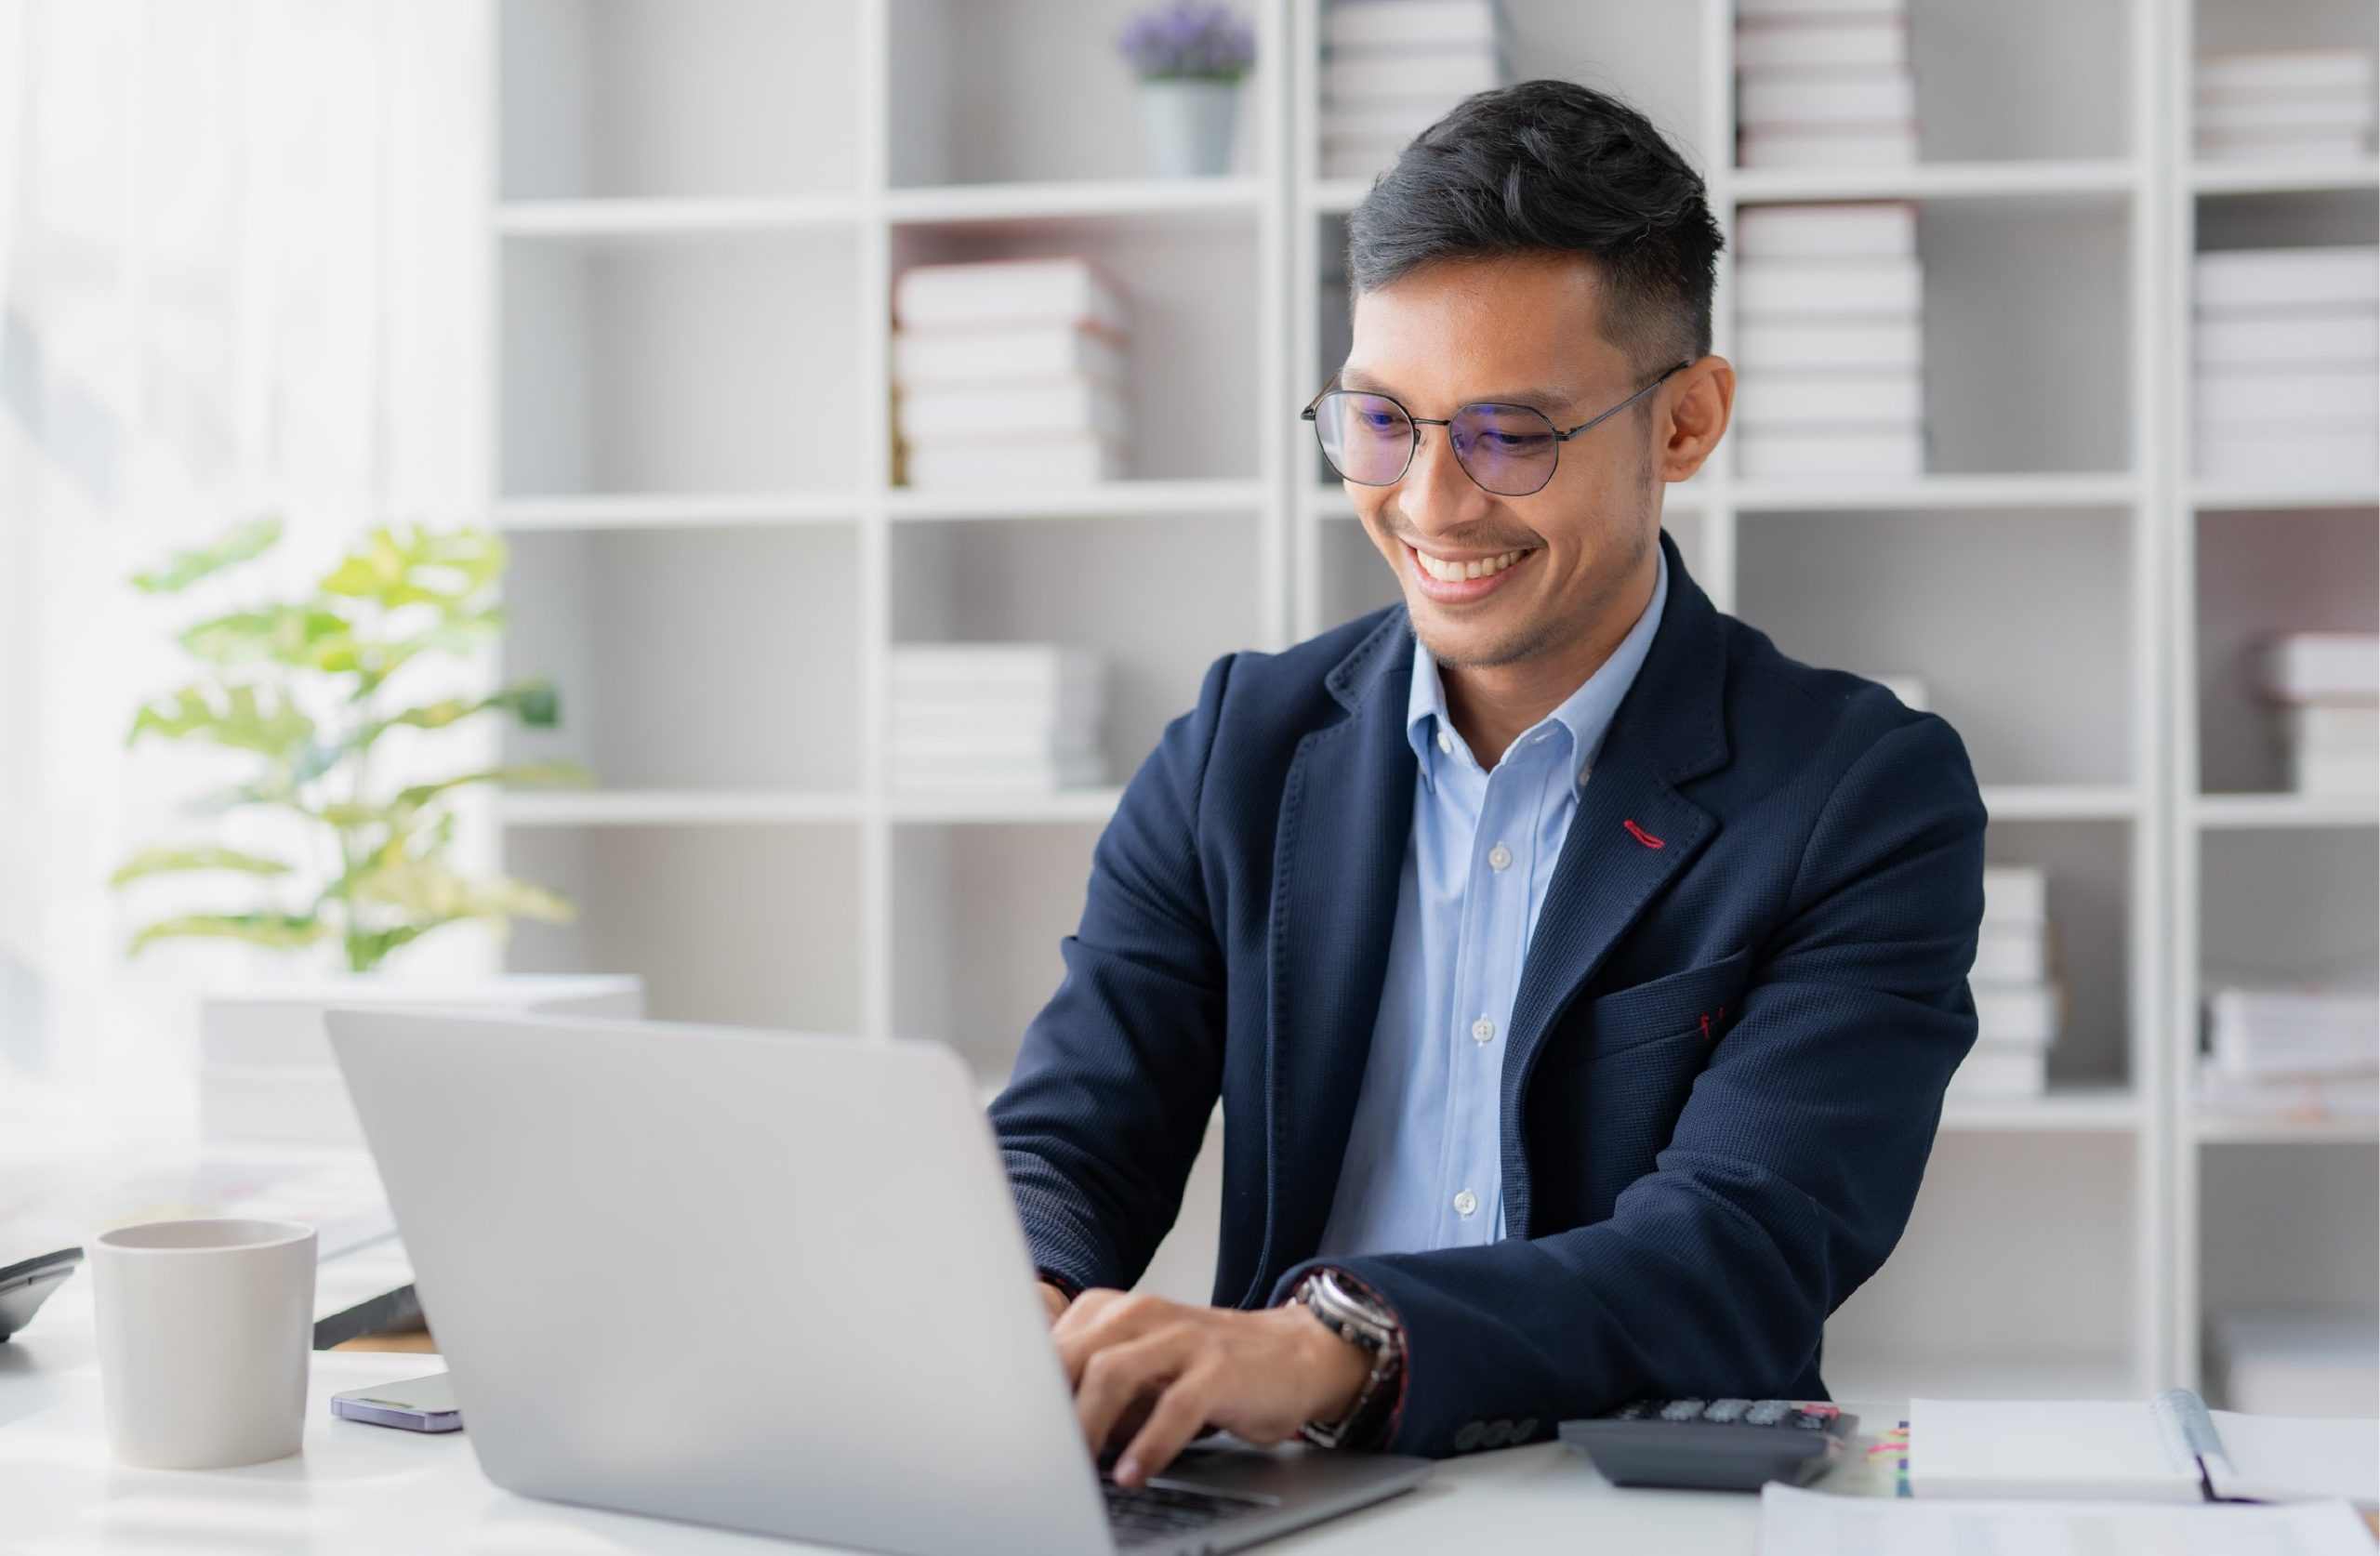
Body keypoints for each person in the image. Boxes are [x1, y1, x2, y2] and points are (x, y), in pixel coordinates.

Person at [989, 79, 1986, 1489]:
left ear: (1687, 423)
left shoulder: (1861, 793)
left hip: (1633, 1504)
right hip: (1283, 1503)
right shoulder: (1236, 746)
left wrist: (1333, 1343)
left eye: (1510, 434)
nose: (1431, 502)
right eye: (1381, 421)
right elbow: (1071, 1137)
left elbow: (1738, 1253)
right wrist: (1013, 1310)